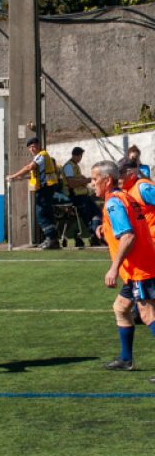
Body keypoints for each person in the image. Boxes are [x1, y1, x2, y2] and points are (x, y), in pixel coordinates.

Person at [91, 159, 155, 373]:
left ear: (107, 180)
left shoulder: (113, 202)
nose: (92, 184)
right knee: (121, 308)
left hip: (141, 269)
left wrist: (113, 267)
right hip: (137, 268)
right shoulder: (124, 196)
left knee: (147, 315)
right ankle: (126, 359)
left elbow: (128, 236)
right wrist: (105, 228)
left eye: (94, 179)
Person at [6, 136, 61, 249]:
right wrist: (20, 178)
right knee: (47, 214)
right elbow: (33, 174)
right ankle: (53, 240)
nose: (32, 149)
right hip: (44, 188)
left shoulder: (42, 155)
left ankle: (50, 238)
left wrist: (14, 175)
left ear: (38, 146)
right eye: (30, 147)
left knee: (41, 214)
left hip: (46, 188)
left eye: (33, 146)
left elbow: (30, 167)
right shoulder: (38, 157)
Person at [61, 146, 100, 247]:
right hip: (75, 196)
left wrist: (84, 181)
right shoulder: (69, 166)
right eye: (79, 156)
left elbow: (76, 181)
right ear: (75, 155)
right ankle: (93, 235)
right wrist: (86, 180)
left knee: (97, 212)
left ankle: (96, 234)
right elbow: (71, 183)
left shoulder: (75, 166)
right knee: (87, 215)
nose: (80, 158)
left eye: (81, 156)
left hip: (82, 195)